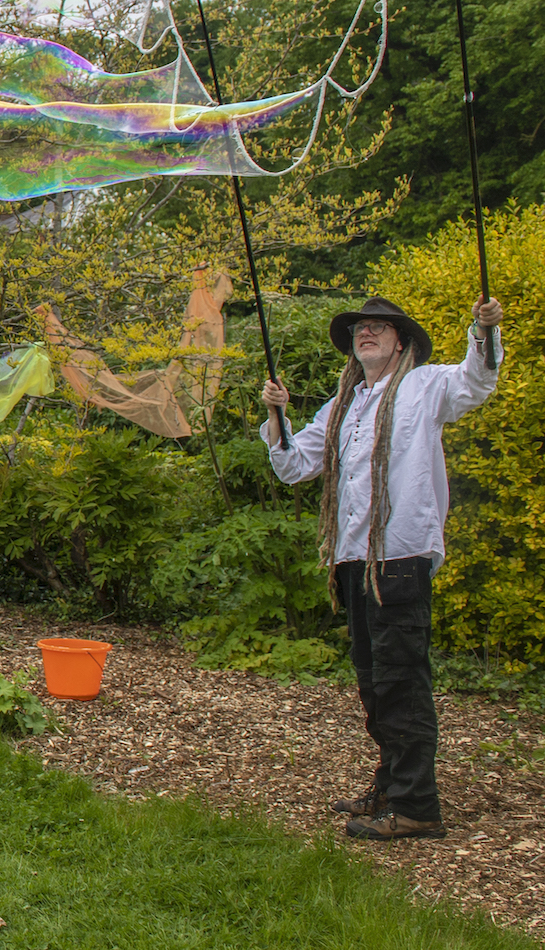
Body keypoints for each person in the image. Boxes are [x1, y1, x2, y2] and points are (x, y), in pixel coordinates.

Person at [261, 294, 504, 841]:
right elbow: (295, 465)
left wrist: (484, 330)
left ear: (402, 342)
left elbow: (478, 379)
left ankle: (418, 805)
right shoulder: (343, 406)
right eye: (359, 329)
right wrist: (277, 415)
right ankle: (394, 785)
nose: (365, 334)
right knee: (375, 685)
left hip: (400, 557)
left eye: (378, 328)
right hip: (355, 561)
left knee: (401, 684)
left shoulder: (425, 387)